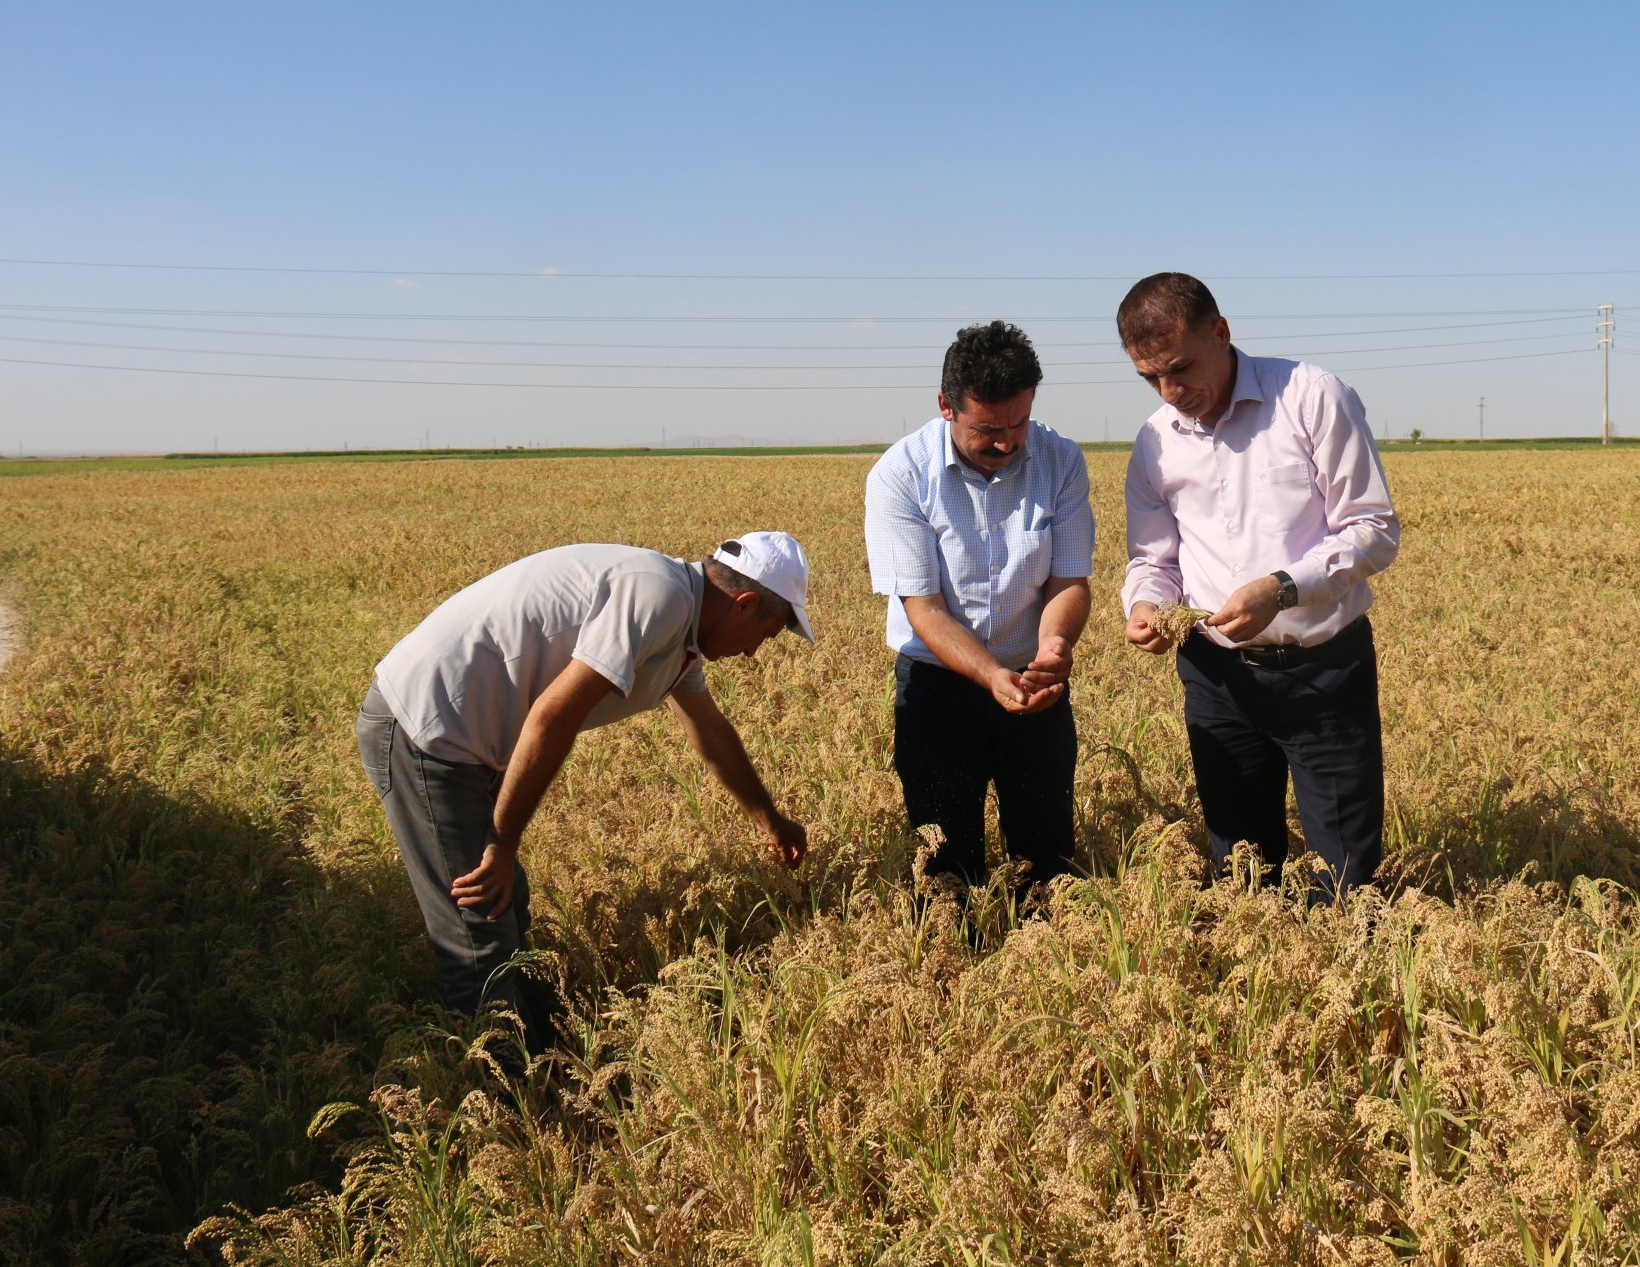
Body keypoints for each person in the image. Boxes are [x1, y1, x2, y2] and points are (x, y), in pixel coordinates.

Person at [355, 533, 812, 1050]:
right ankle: (508, 1106)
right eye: (765, 635)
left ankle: (542, 1059)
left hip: (469, 735)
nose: (753, 652)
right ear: (744, 603)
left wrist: (768, 818)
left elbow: (709, 732)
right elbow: (553, 717)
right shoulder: (657, 597)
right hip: (426, 729)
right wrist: (502, 844)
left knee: (509, 909)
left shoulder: (681, 627)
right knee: (479, 931)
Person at [1118, 272, 1400, 903]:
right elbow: (1152, 558)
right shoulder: (1156, 441)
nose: (1170, 391)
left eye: (1180, 367)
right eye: (1149, 378)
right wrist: (1145, 604)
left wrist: (1281, 589)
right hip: (1217, 680)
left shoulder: (1311, 397)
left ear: (1221, 332)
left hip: (1322, 673)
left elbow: (1373, 529)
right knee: (1243, 878)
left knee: (1347, 885)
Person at [864, 320, 1095, 898]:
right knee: (945, 872)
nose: (1008, 442)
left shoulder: (1061, 459)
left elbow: (1068, 581)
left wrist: (1054, 648)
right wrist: (991, 675)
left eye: (1018, 423)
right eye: (988, 429)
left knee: (1047, 866)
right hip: (937, 689)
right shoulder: (902, 474)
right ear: (946, 406)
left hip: (1035, 682)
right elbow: (925, 609)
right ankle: (949, 977)